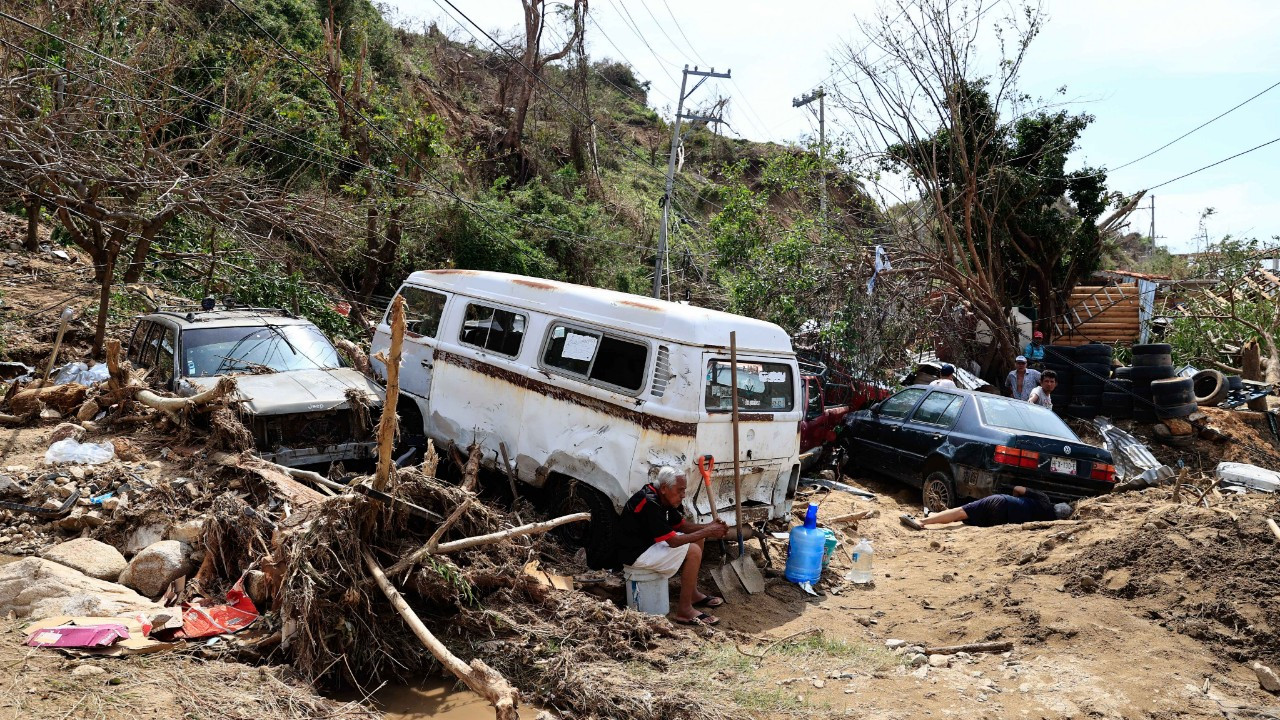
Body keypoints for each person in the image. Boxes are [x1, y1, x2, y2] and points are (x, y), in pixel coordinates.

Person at [617, 466, 729, 626]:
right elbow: (674, 542)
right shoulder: (650, 502)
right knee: (693, 551)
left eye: (684, 490)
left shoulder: (664, 497)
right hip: (635, 554)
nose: (683, 495)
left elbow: (682, 526)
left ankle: (692, 594)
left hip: (648, 546)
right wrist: (709, 531)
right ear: (664, 488)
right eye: (680, 490)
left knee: (698, 540)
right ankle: (684, 611)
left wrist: (709, 527)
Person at [900, 486, 1072, 529]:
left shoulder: (1043, 499)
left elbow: (1018, 489)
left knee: (961, 512)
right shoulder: (1048, 522)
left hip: (1003, 502)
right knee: (967, 520)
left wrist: (1015, 498)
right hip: (1003, 520)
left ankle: (922, 521)